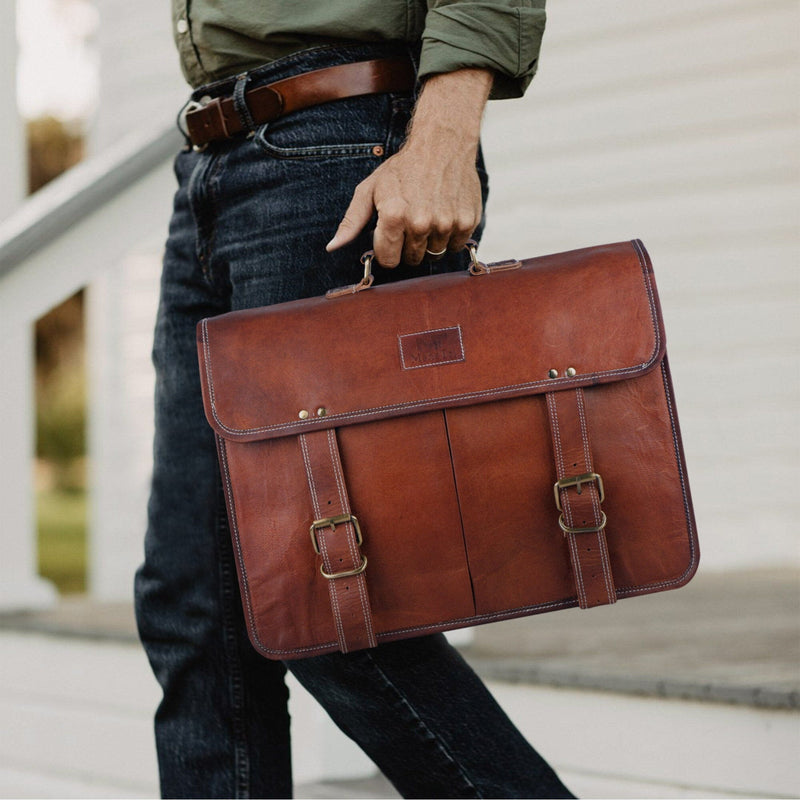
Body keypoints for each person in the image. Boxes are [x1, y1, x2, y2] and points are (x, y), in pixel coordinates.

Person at [135, 2, 574, 798]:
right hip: (209, 163)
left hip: (336, 151)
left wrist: (445, 135)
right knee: (194, 609)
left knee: (329, 604)